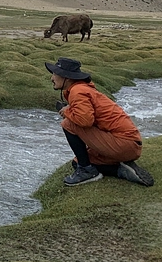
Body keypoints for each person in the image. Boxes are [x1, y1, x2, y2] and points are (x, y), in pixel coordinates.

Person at [46, 57, 154, 187]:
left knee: (68, 124)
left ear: (67, 78)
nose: (52, 78)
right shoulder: (81, 89)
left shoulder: (77, 91)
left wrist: (67, 111)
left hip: (124, 144)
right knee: (77, 162)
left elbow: (85, 121)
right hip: (129, 144)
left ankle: (87, 171)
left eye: (55, 74)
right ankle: (120, 169)